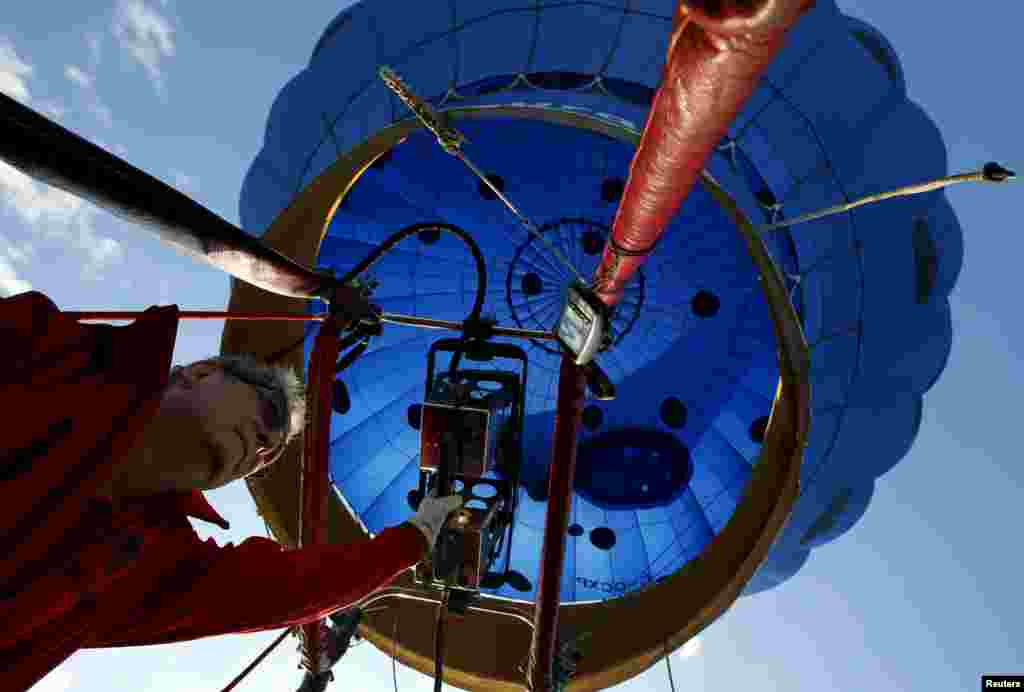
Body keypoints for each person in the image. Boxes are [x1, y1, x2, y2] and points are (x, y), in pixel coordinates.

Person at [0, 290, 463, 691]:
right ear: (200, 372)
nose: (262, 449)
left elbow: (283, 589)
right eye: (269, 415)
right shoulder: (49, 350)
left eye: (272, 456)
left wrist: (417, 535)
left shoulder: (154, 564)